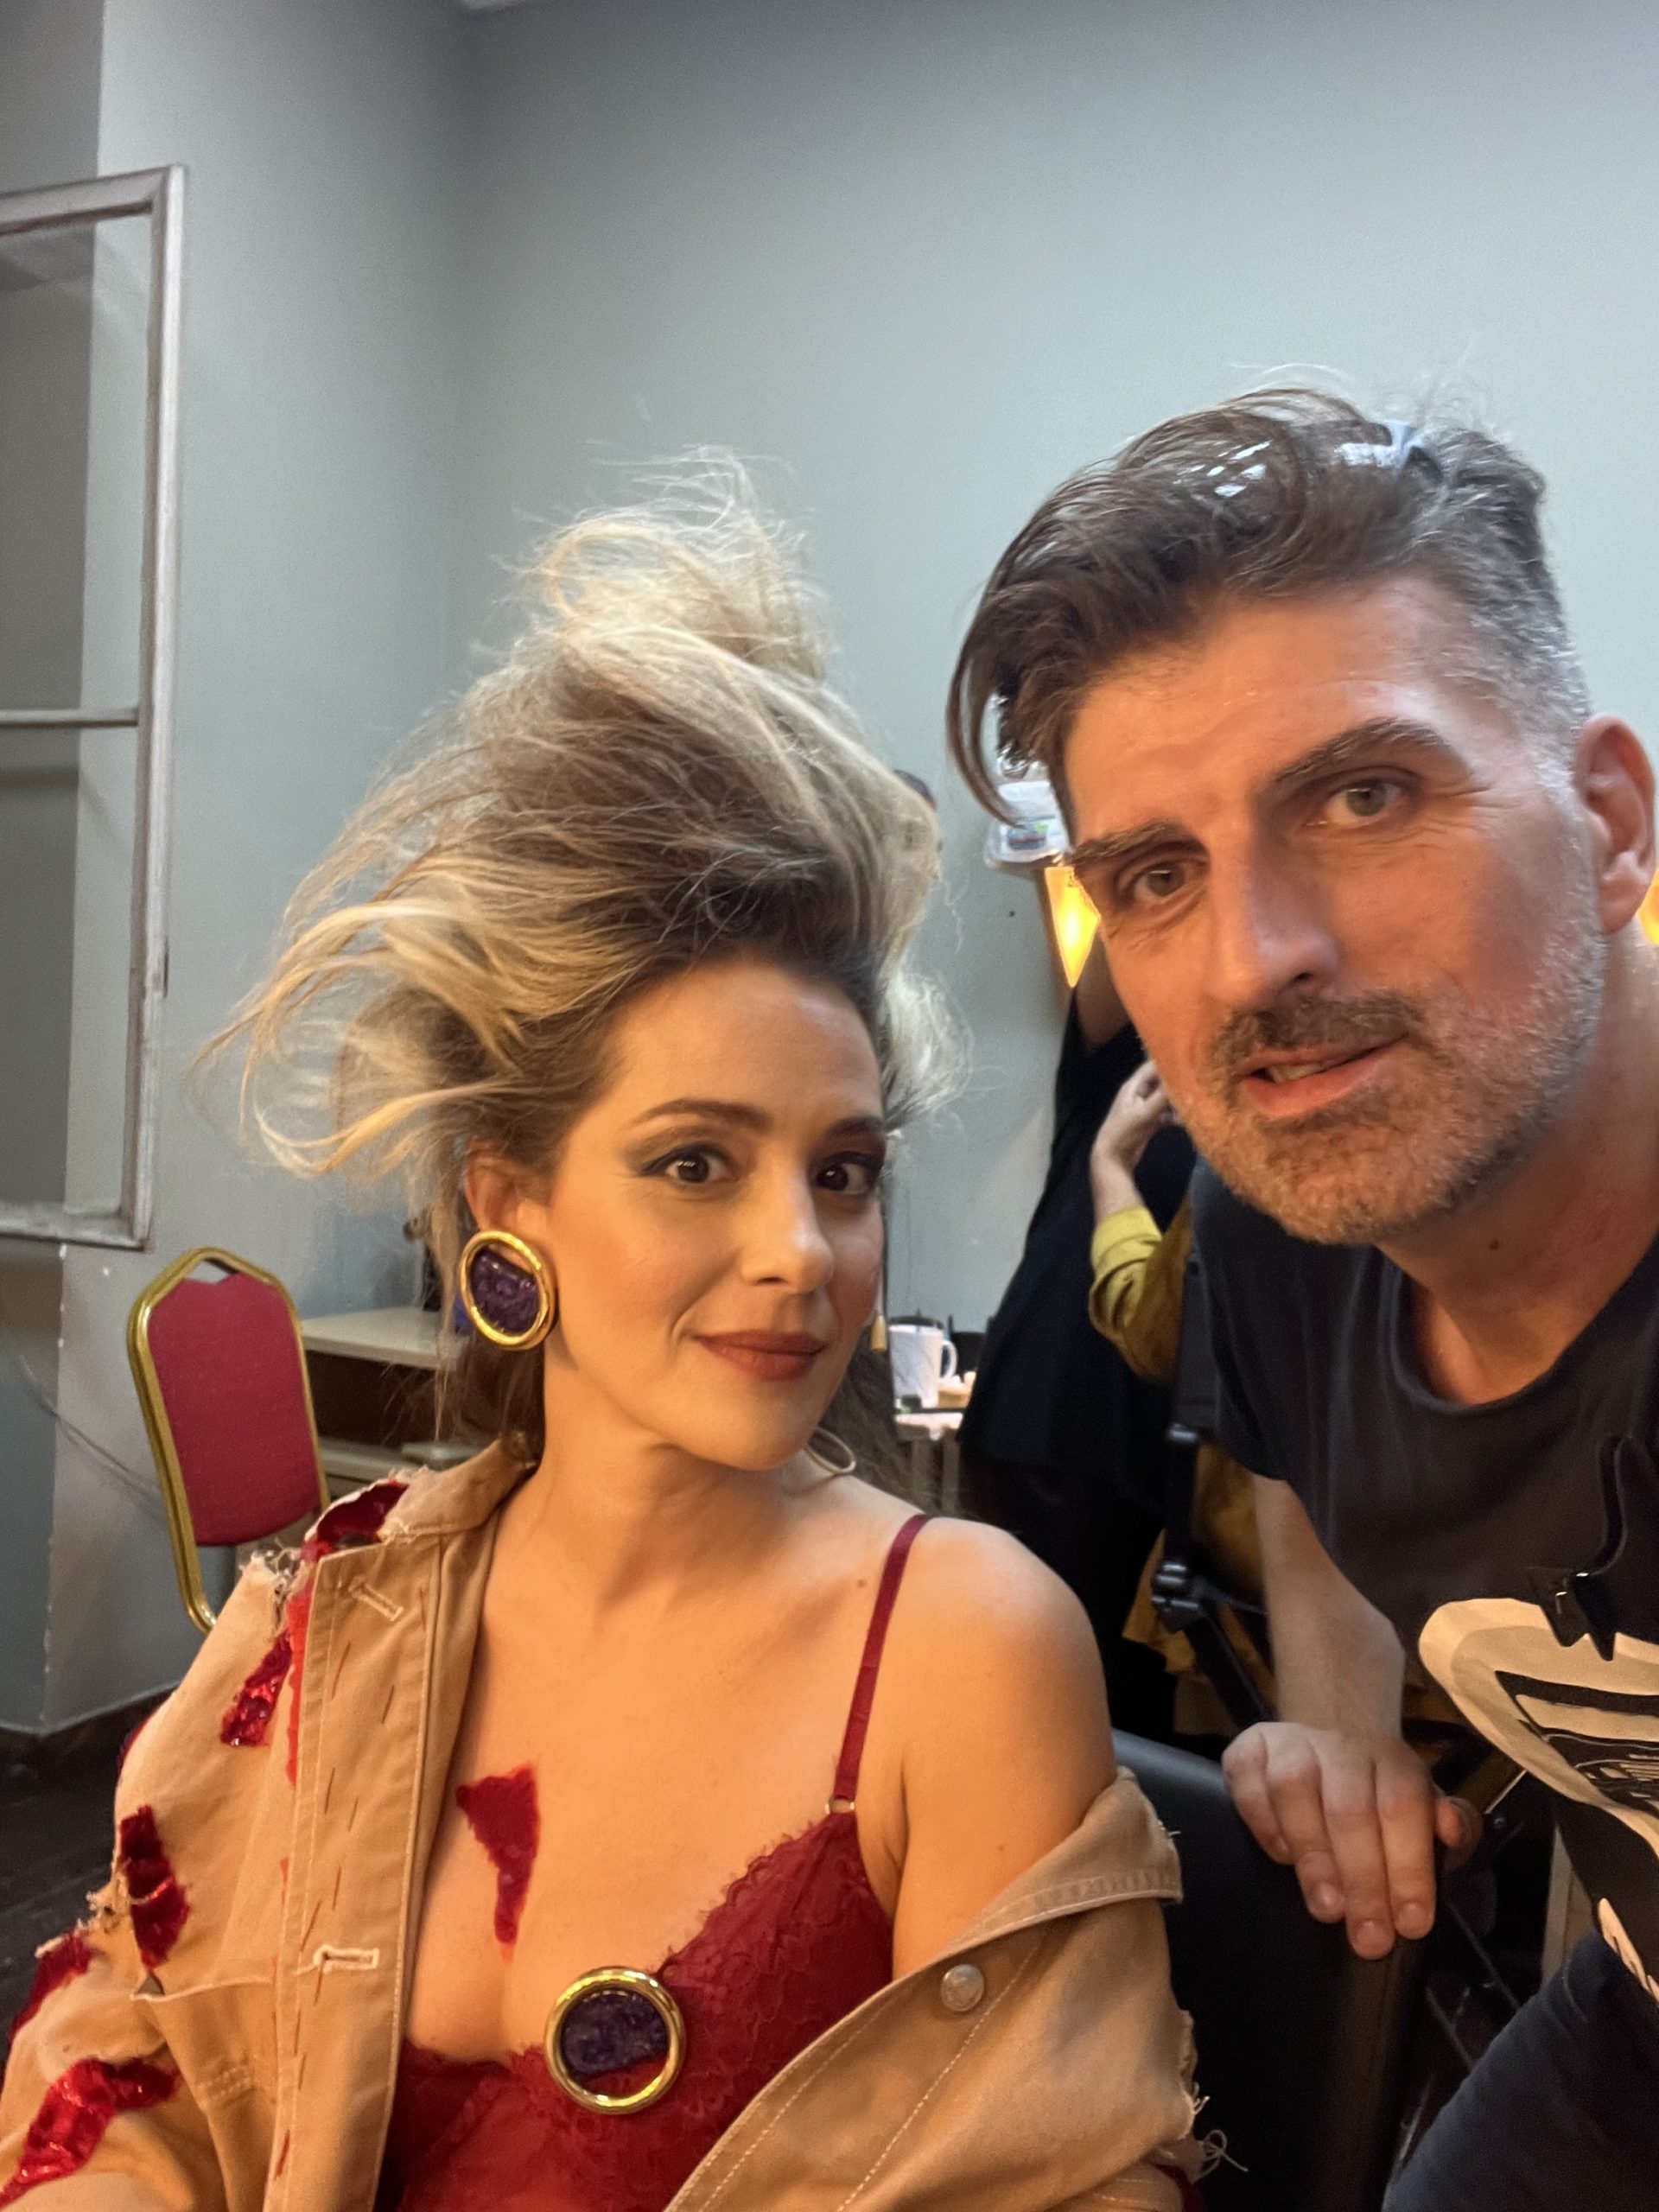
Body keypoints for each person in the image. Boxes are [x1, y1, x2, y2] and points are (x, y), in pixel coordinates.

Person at [0, 486, 1199, 2211]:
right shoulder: (335, 1616)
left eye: (844, 1170)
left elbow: (1066, 2178)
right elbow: (135, 2052)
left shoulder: (962, 1647)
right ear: (512, 1204)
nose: (801, 1251)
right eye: (696, 1161)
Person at [948, 390, 1659, 2207]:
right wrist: (1341, 1726)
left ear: (1609, 823)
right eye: (1155, 874)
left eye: (1364, 794)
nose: (1257, 958)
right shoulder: (1281, 1220)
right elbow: (1292, 1456)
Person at [961, 938, 1194, 1739]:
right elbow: (1121, 923)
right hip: (1048, 1421)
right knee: (1034, 1706)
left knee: (1123, 1721)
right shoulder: (1125, 1068)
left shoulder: (1259, 1109)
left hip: (1164, 1463)